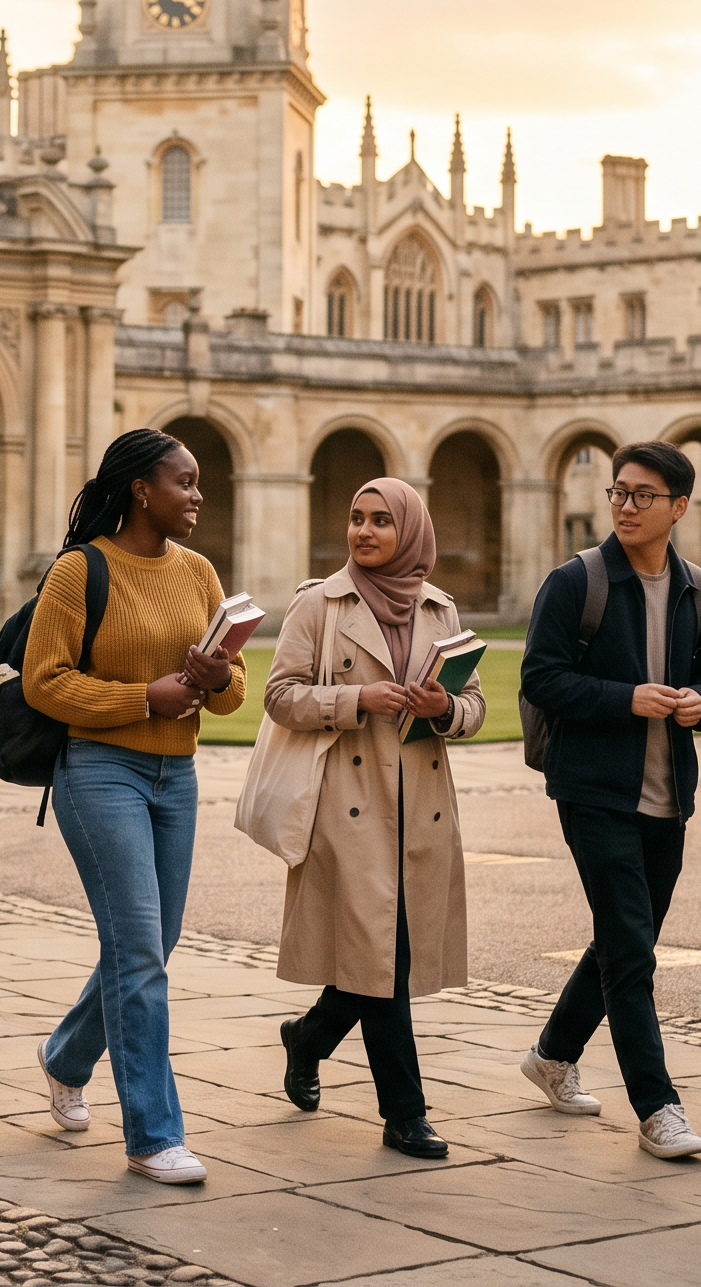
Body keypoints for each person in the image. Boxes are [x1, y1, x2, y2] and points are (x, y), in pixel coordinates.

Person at [26, 427, 244, 1187]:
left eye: (198, 483)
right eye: (183, 482)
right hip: (99, 771)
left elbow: (235, 693)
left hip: (175, 775)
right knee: (141, 950)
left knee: (154, 940)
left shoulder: (199, 572)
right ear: (142, 490)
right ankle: (154, 1134)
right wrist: (141, 696)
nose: (197, 495)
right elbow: (43, 682)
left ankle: (65, 1056)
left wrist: (216, 677)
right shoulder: (78, 571)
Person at [515, 440, 701, 1160]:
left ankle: (550, 1055)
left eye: (643, 495)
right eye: (619, 492)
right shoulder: (577, 582)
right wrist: (624, 699)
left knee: (621, 941)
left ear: (679, 508)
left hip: (670, 796)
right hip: (594, 791)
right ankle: (657, 1108)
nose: (627, 506)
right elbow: (541, 678)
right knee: (633, 951)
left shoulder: (699, 588)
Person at [267, 479, 484, 1161]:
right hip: (348, 806)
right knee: (385, 963)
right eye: (356, 518)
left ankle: (308, 1037)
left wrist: (443, 709)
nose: (364, 531)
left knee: (385, 954)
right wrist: (354, 697)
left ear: (410, 531)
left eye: (381, 521)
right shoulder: (318, 603)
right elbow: (279, 696)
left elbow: (473, 704)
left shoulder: (440, 609)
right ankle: (406, 1115)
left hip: (421, 807)